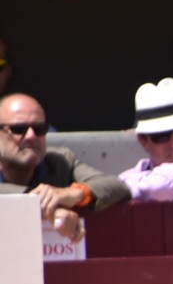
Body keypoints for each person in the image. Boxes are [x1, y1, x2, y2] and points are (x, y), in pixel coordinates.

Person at [0, 93, 129, 240]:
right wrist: (49, 210)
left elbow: (116, 185)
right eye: (18, 128)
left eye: (39, 128)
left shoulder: (61, 160)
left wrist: (72, 194)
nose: (31, 136)